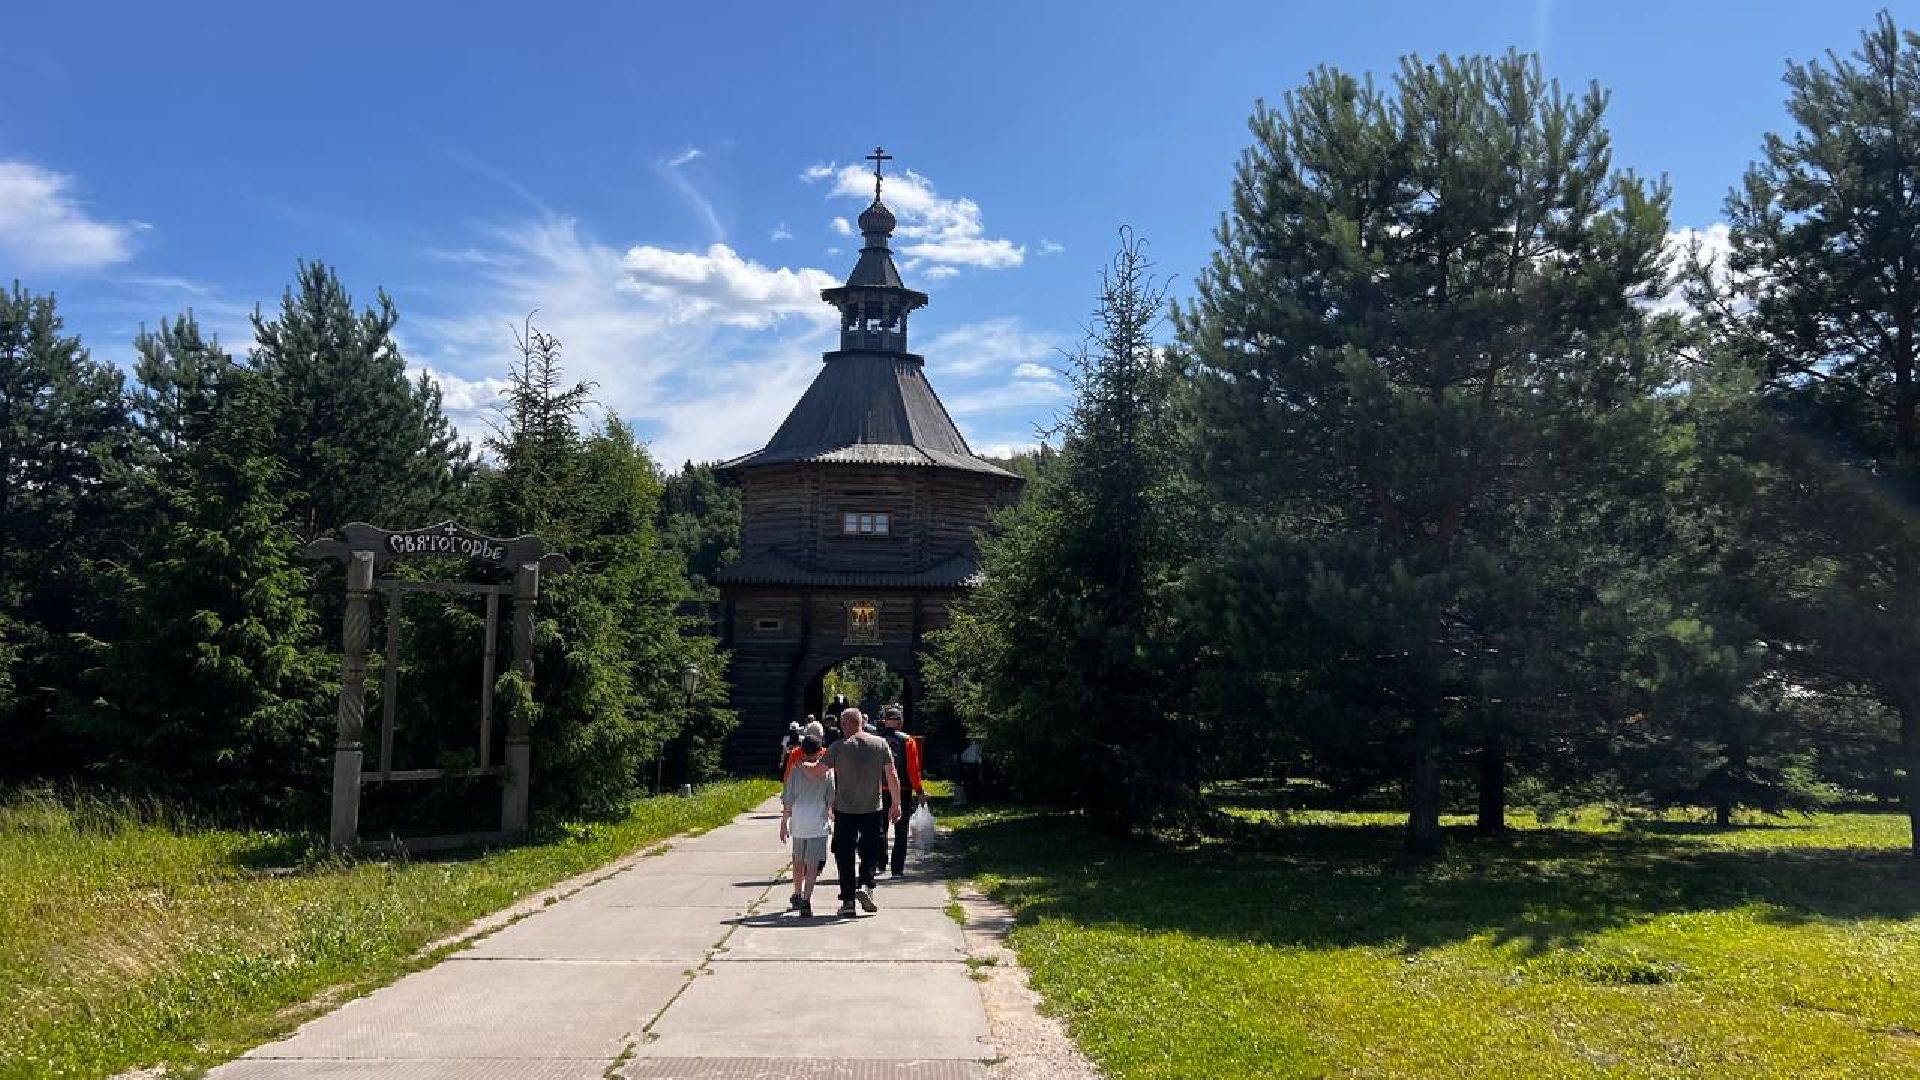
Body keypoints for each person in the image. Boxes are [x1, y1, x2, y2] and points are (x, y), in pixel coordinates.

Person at [795, 707, 900, 916]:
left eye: (843, 724)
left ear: (847, 724)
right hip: (872, 808)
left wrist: (801, 765)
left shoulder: (838, 747)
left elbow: (817, 772)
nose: (842, 728)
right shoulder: (880, 744)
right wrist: (896, 804)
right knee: (870, 850)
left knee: (844, 854)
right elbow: (892, 774)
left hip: (845, 810)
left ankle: (848, 901)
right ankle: (866, 884)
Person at [779, 733, 833, 918]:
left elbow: (788, 799)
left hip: (799, 822)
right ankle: (806, 900)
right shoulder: (827, 772)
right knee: (812, 866)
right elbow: (830, 799)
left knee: (798, 861)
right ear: (820, 753)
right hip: (817, 822)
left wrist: (783, 823)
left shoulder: (794, 770)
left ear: (801, 752)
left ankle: (797, 892)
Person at [875, 704, 924, 877]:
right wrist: (919, 790)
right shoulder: (908, 741)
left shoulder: (875, 740)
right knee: (901, 830)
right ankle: (897, 868)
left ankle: (880, 862)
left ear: (885, 722)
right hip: (902, 788)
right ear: (900, 722)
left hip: (879, 788)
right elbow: (913, 769)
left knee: (879, 827)